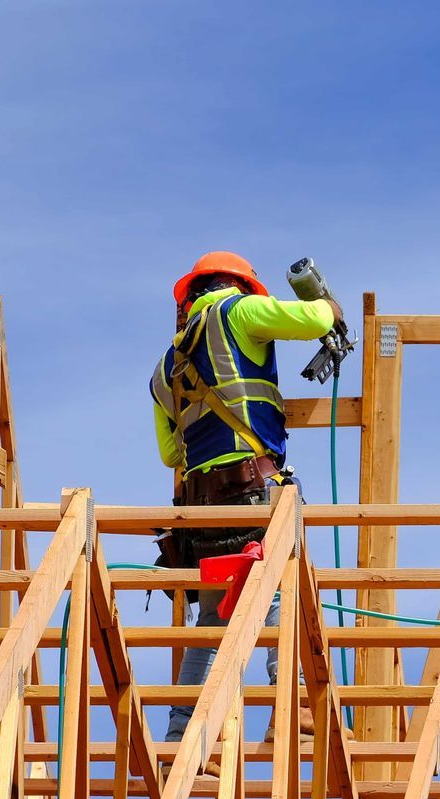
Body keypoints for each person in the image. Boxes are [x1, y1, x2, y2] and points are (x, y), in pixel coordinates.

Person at [149, 250, 345, 744]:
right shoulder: (239, 311)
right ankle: (292, 709)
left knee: (214, 617)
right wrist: (329, 305)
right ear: (236, 285)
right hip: (254, 491)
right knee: (280, 590)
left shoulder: (164, 369)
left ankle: (180, 734)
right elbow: (318, 317)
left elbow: (171, 450)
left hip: (201, 513)